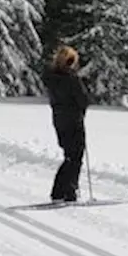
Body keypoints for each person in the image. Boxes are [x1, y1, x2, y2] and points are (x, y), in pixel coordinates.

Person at [43, 44, 89, 202]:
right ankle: (69, 191)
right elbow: (82, 99)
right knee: (75, 156)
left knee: (69, 156)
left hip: (59, 119)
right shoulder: (72, 79)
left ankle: (58, 192)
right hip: (73, 120)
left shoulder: (52, 78)